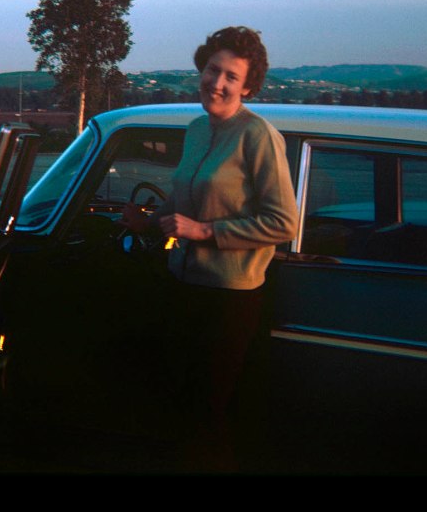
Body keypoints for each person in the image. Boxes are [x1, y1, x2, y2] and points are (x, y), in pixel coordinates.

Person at [122, 26, 298, 471]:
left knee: (208, 416)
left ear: (248, 86)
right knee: (179, 405)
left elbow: (284, 223)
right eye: (212, 70)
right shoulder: (198, 128)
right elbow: (185, 197)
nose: (217, 83)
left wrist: (203, 232)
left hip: (229, 298)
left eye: (231, 77)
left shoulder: (259, 136)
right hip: (183, 284)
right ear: (201, 69)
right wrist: (147, 221)